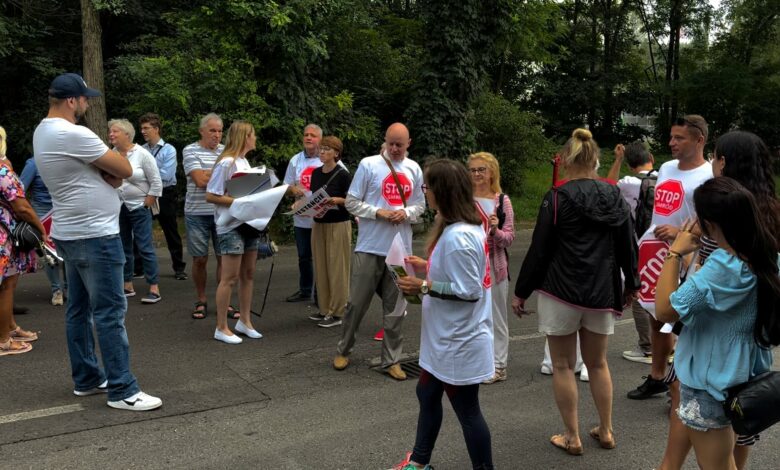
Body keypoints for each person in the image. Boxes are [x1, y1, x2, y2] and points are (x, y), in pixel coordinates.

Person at [34, 72, 161, 410]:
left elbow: (114, 173)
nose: (87, 103)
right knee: (109, 312)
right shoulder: (73, 133)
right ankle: (122, 389)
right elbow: (125, 169)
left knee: (78, 310)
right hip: (96, 233)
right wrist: (111, 170)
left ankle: (87, 378)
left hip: (70, 232)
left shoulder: (43, 130)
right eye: (84, 98)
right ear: (72, 100)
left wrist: (109, 172)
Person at [657, 131, 780, 470]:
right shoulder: (763, 249)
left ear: (709, 224)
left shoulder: (726, 265)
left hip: (710, 380)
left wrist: (675, 252)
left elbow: (666, 307)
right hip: (737, 370)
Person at [513, 128, 638, 455]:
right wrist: (632, 285)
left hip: (560, 290)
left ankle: (572, 435)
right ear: (597, 160)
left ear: (565, 160)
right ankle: (606, 429)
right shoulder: (614, 196)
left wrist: (521, 292)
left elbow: (539, 251)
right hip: (601, 292)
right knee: (597, 364)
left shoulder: (556, 197)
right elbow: (628, 245)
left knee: (564, 366)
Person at [391, 159, 494, 470]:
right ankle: (420, 461)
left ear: (441, 191)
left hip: (458, 342)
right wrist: (428, 267)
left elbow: (469, 290)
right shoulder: (456, 228)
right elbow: (461, 277)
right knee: (426, 392)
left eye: (427, 187)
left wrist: (423, 285)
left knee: (468, 412)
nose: (425, 193)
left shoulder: (459, 237)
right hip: (445, 340)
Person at [333, 123, 425, 381]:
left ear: (409, 143)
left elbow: (420, 205)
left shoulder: (414, 168)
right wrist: (379, 212)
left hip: (400, 250)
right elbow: (351, 202)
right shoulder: (369, 164)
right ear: (385, 141)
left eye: (400, 145)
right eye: (391, 143)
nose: (395, 149)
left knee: (396, 308)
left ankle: (392, 360)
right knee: (356, 304)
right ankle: (344, 349)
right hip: (370, 246)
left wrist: (405, 213)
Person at [205, 121, 263, 344]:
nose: (255, 138)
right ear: (244, 137)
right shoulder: (226, 163)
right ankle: (221, 327)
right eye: (253, 134)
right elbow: (211, 195)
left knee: (248, 274)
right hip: (230, 225)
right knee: (229, 278)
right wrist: (240, 202)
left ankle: (244, 321)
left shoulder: (243, 161)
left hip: (248, 223)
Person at [606, 141, 656, 363]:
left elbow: (608, 186)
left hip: (638, 246)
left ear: (629, 164)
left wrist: (617, 158)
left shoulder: (628, 183)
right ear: (651, 158)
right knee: (661, 295)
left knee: (638, 296)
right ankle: (667, 346)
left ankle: (647, 347)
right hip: (663, 246)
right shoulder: (664, 178)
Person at [467, 152, 514, 384]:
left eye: (481, 170)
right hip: (470, 266)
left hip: (494, 267)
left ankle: (499, 365)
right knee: (473, 316)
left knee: (496, 317)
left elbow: (510, 238)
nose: (476, 174)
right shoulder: (464, 199)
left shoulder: (502, 200)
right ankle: (479, 362)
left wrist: (495, 231)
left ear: (492, 172)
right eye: (473, 170)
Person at [0, 127, 44, 356]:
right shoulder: (2, 172)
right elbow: (22, 206)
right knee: (6, 286)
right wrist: (40, 229)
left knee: (7, 285)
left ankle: (9, 327)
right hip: (4, 235)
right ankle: (4, 340)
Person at [110, 119, 163, 304]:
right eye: (110, 131)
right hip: (119, 206)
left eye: (115, 131)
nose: (111, 134)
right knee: (123, 246)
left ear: (127, 134)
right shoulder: (112, 155)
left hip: (139, 206)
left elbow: (156, 181)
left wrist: (148, 201)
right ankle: (127, 285)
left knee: (144, 246)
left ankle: (154, 287)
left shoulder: (142, 154)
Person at [183, 113, 225, 319]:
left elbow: (235, 178)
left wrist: (209, 172)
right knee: (200, 259)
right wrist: (219, 173)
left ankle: (223, 301)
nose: (216, 135)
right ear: (202, 131)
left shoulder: (227, 151)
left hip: (221, 212)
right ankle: (201, 299)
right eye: (212, 131)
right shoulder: (190, 150)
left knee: (224, 258)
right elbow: (199, 180)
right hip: (197, 213)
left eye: (219, 131)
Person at [309, 135, 352, 328]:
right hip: (319, 223)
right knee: (321, 266)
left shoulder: (343, 175)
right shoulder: (316, 173)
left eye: (327, 149)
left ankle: (339, 312)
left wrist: (337, 200)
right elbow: (314, 197)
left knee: (337, 268)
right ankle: (324, 308)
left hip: (338, 223)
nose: (322, 152)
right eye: (321, 148)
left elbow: (352, 201)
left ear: (336, 153)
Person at [139, 113, 187, 280]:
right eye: (142, 128)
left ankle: (179, 267)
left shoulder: (169, 149)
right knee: (140, 228)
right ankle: (138, 267)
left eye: (146, 128)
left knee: (171, 230)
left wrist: (144, 175)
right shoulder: (141, 150)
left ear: (156, 129)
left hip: (165, 193)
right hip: (145, 192)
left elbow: (166, 175)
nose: (143, 131)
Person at [284, 124, 323, 303]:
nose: (308, 138)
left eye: (313, 135)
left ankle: (321, 294)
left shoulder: (327, 158)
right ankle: (305, 289)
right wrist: (294, 191)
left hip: (321, 218)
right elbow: (286, 186)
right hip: (301, 217)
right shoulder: (295, 160)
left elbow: (342, 181)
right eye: (306, 135)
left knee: (322, 257)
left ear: (320, 140)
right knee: (304, 256)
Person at [20, 155, 66, 306]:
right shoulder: (33, 163)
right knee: (48, 252)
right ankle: (56, 290)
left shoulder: (64, 160)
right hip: (41, 212)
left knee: (68, 250)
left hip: (63, 209)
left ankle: (71, 289)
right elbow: (20, 190)